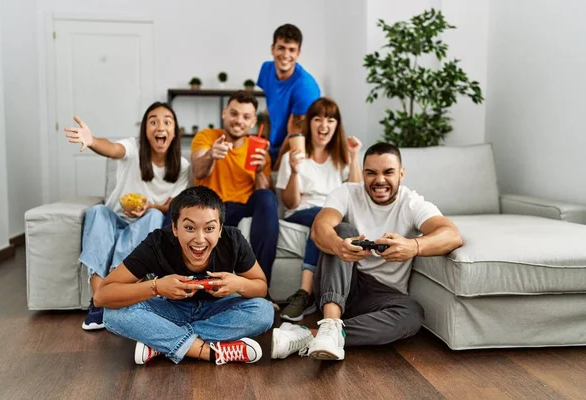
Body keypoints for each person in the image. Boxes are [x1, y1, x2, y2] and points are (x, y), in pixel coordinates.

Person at [270, 143, 463, 361]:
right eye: (371, 173)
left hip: (383, 296)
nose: (379, 180)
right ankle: (331, 322)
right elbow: (320, 228)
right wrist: (338, 245)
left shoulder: (412, 203)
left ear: (401, 173)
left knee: (413, 315)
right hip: (343, 282)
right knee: (342, 230)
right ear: (363, 174)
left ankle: (312, 336)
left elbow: (452, 235)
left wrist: (412, 246)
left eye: (388, 172)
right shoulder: (346, 193)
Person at [97, 186, 274, 365]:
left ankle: (161, 344)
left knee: (264, 311)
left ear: (220, 229)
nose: (199, 239)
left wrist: (239, 284)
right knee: (112, 314)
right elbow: (102, 296)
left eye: (209, 228)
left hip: (217, 311)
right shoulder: (157, 242)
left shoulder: (233, 240)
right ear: (175, 227)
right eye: (189, 227)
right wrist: (156, 287)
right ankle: (205, 351)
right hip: (171, 310)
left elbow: (261, 287)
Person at [63, 102, 190, 331]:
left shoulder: (182, 166)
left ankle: (114, 291)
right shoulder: (133, 148)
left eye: (167, 122)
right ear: (145, 130)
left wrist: (149, 205)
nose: (160, 126)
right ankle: (99, 302)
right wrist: (92, 141)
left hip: (144, 224)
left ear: (174, 132)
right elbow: (112, 148)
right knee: (97, 211)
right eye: (153, 121)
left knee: (152, 215)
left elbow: (172, 206)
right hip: (114, 220)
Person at [276, 97, 362, 321]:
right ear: (309, 124)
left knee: (338, 226)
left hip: (334, 215)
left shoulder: (341, 159)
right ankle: (305, 292)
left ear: (337, 125)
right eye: (318, 119)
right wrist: (295, 171)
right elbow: (290, 203)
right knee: (321, 219)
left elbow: (355, 192)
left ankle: (330, 299)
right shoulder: (292, 157)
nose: (324, 125)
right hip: (302, 213)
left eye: (330, 120)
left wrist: (353, 158)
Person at [190, 91, 279, 293]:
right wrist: (212, 155)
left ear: (253, 121)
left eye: (246, 117)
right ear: (224, 113)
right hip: (211, 207)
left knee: (267, 197)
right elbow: (198, 170)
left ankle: (260, 288)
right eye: (234, 114)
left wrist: (259, 171)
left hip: (243, 207)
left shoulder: (258, 148)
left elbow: (265, 195)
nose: (239, 121)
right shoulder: (207, 136)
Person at [257, 23, 321, 168]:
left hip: (294, 151)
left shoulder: (305, 87)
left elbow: (295, 134)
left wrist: (275, 168)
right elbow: (269, 111)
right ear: (272, 49)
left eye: (291, 50)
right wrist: (264, 148)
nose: (286, 55)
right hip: (272, 146)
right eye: (281, 48)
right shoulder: (266, 69)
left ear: (298, 53)